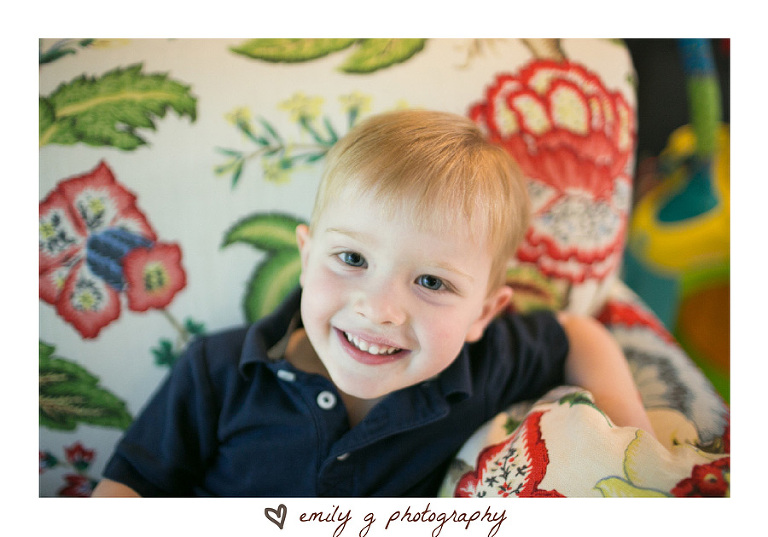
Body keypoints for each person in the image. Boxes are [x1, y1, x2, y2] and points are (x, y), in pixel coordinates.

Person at [92, 109, 654, 497]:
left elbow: (577, 334)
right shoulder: (219, 371)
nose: (379, 309)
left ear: (482, 314)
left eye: (431, 282)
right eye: (353, 259)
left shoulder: (482, 368)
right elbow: (129, 487)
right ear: (307, 257)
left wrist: (628, 432)